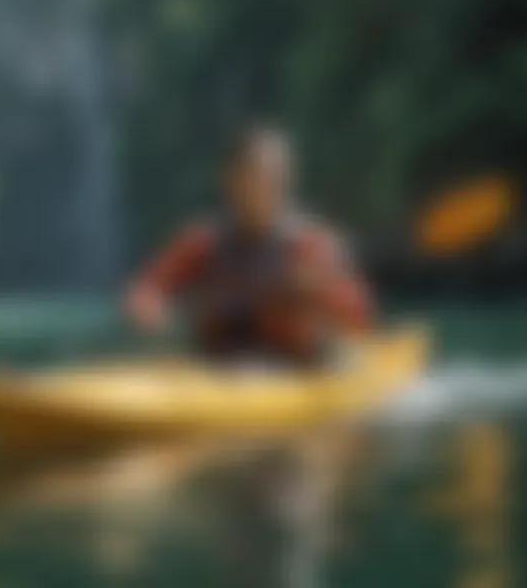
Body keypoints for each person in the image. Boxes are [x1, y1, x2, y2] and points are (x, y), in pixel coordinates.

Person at [124, 125, 376, 587]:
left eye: (275, 176)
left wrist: (321, 292)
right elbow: (148, 287)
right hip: (221, 377)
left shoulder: (309, 244)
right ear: (230, 180)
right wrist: (149, 309)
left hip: (300, 378)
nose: (266, 186)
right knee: (212, 504)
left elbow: (360, 315)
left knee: (293, 500)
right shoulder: (200, 242)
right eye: (255, 175)